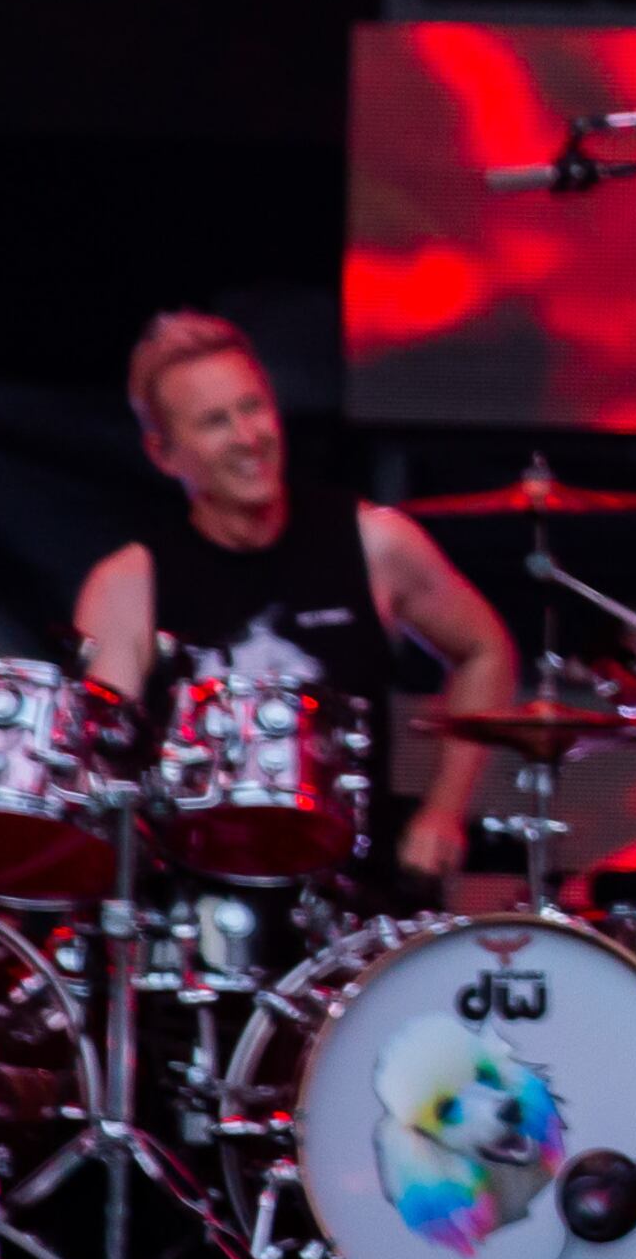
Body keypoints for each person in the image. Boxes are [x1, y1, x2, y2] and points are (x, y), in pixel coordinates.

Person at [70, 310, 514, 894]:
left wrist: (443, 811)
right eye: (215, 421)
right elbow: (106, 763)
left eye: (253, 407)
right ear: (164, 453)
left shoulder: (373, 542)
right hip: (195, 919)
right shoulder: (130, 583)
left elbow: (486, 650)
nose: (248, 437)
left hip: (352, 912)